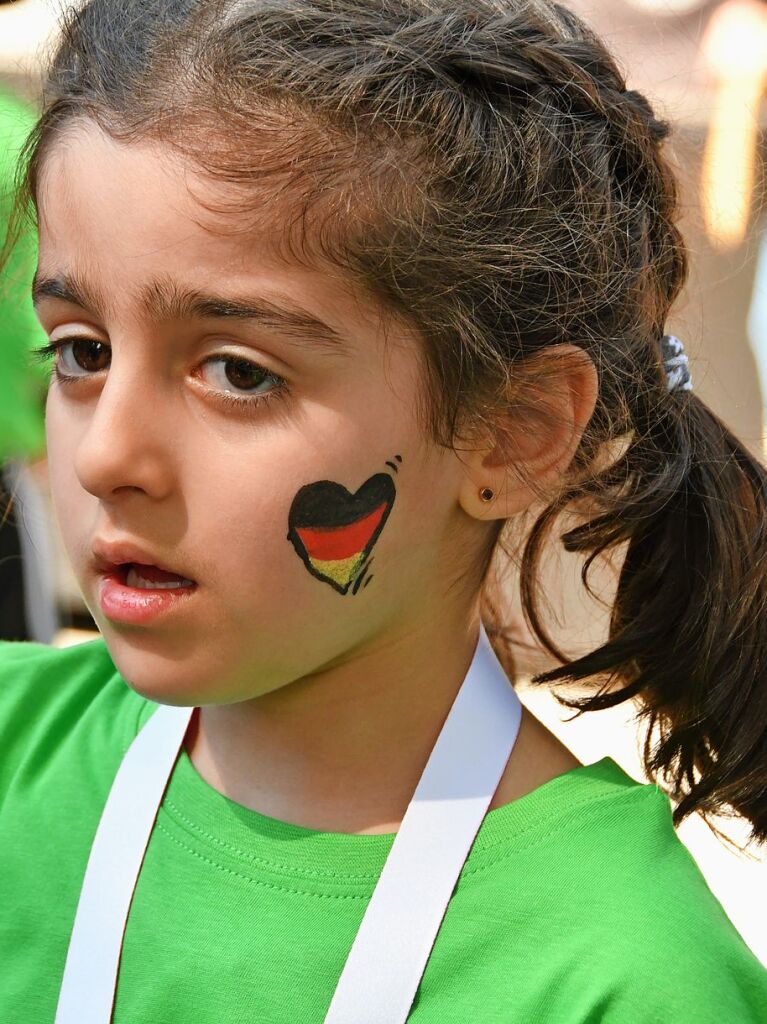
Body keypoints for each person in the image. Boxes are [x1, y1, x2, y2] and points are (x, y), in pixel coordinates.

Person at [0, 1, 765, 1021]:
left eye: (237, 371)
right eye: (82, 351)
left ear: (512, 432)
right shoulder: (19, 757)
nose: (104, 457)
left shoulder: (617, 972)